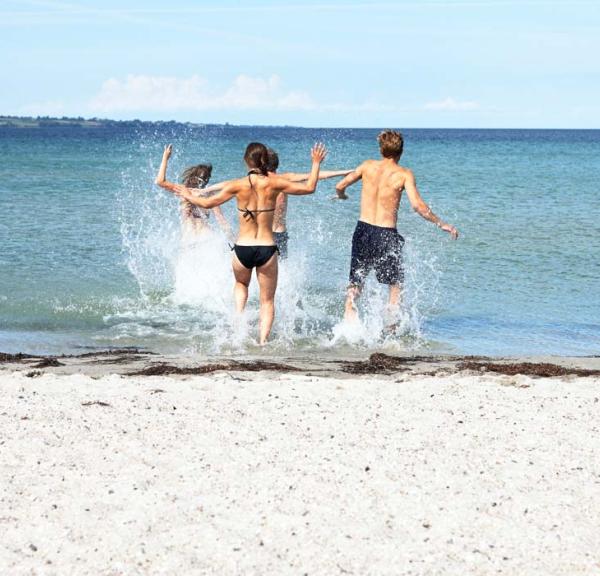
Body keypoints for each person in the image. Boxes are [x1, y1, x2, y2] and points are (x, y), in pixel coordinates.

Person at [173, 141, 328, 344]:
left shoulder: (238, 185)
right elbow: (310, 187)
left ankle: (238, 324)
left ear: (246, 161)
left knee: (240, 285)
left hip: (242, 249)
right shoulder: (274, 184)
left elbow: (207, 203)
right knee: (267, 300)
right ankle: (263, 342)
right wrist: (316, 163)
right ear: (265, 160)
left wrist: (187, 193)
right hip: (266, 248)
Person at [334, 129, 459, 326]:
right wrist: (441, 223)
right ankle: (390, 333)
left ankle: (348, 326)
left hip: (362, 230)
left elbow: (340, 186)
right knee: (395, 286)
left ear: (380, 149)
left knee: (356, 283)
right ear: (401, 152)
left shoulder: (367, 166)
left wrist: (342, 196)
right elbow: (418, 206)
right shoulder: (404, 174)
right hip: (386, 234)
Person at [198, 148, 350, 258]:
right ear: (276, 165)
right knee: (278, 274)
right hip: (278, 235)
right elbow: (316, 176)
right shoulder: (283, 180)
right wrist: (346, 172)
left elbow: (228, 184)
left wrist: (205, 191)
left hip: (257, 234)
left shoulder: (254, 181)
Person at [154, 144, 232, 241]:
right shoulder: (209, 194)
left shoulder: (183, 191)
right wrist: (233, 240)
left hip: (188, 237)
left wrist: (165, 157)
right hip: (207, 237)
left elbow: (160, 181)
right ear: (206, 180)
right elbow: (221, 219)